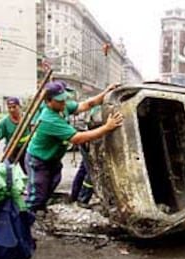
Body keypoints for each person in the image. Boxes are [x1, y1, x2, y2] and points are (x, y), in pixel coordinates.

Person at [24, 81, 123, 213]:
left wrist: (106, 92)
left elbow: (87, 104)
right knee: (37, 194)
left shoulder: (61, 107)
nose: (64, 102)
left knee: (51, 184)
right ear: (48, 101)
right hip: (38, 161)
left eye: (64, 99)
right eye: (60, 100)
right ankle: (25, 220)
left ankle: (40, 211)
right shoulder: (48, 119)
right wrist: (107, 127)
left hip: (52, 159)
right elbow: (77, 138)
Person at [0, 96, 30, 173]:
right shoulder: (4, 122)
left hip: (26, 148)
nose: (12, 110)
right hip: (11, 149)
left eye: (14, 107)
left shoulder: (27, 118)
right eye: (9, 108)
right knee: (8, 170)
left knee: (29, 170)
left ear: (19, 107)